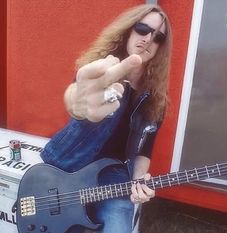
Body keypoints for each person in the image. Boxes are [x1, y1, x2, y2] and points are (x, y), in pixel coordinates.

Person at [40, 3, 172, 233]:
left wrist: (139, 180)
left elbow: (144, 149)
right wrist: (77, 104)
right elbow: (77, 97)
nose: (148, 39)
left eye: (158, 37)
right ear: (129, 30)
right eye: (142, 29)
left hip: (114, 174)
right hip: (70, 166)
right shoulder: (101, 70)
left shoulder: (156, 99)